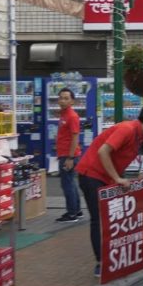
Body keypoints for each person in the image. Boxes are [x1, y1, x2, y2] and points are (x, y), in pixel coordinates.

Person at [76, 104, 143, 277]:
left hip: (105, 177)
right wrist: (117, 179)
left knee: (111, 218)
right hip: (92, 175)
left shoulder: (140, 136)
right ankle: (101, 263)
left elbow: (121, 157)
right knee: (99, 219)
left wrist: (125, 177)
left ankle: (112, 259)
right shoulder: (127, 129)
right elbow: (103, 152)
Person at [55, 88, 83, 223]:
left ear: (72, 101)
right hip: (65, 154)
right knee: (70, 183)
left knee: (67, 184)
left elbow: (75, 137)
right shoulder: (64, 114)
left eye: (66, 98)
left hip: (68, 155)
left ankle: (72, 214)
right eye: (61, 98)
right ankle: (77, 211)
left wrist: (70, 158)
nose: (62, 100)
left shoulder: (72, 116)